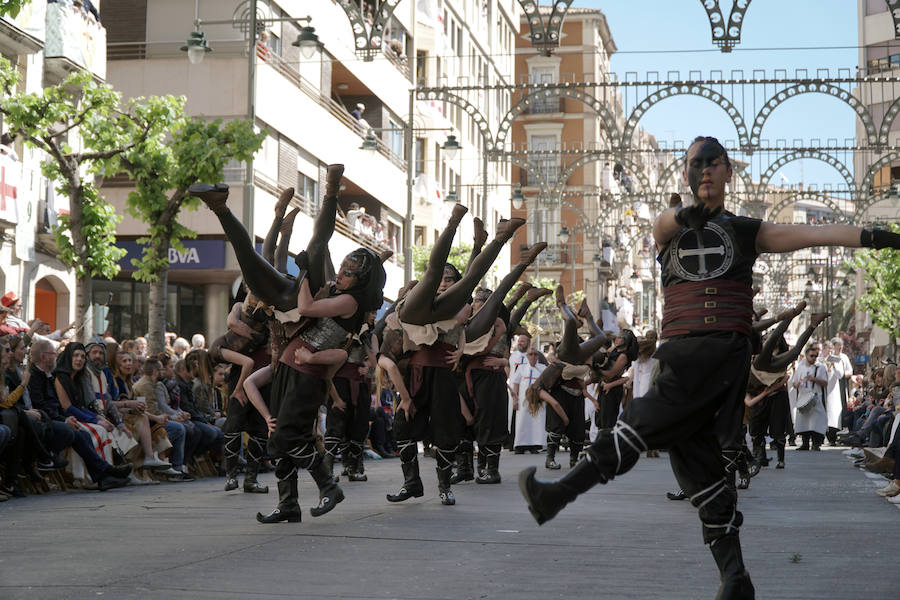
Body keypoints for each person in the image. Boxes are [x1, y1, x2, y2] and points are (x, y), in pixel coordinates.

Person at [518, 135, 900, 599]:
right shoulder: (668, 231)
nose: (704, 171)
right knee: (697, 468)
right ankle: (735, 578)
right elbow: (662, 223)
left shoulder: (745, 231)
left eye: (713, 163)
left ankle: (557, 494)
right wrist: (686, 216)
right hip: (680, 352)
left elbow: (816, 233)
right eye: (695, 164)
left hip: (717, 352)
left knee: (641, 421)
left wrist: (882, 238)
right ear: (684, 173)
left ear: (727, 172)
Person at [193, 164, 386, 524]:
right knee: (254, 263)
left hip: (305, 374)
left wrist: (308, 278)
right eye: (342, 268)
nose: (341, 274)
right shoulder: (340, 292)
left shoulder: (351, 302)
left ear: (361, 280)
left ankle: (329, 487)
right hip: (288, 366)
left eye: (348, 271)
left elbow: (308, 307)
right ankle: (289, 504)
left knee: (287, 438)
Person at [27, 339, 131, 491]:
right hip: (47, 420)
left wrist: (97, 418)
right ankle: (103, 473)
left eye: (82, 357)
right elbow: (55, 406)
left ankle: (104, 476)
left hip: (58, 417)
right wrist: (68, 419)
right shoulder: (47, 376)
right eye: (76, 356)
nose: (80, 360)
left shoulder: (65, 376)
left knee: (85, 434)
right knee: (85, 431)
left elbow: (78, 405)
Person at [790, 344, 828, 451]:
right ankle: (805, 443)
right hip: (803, 397)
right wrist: (796, 384)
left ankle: (816, 443)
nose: (813, 358)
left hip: (815, 398)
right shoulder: (800, 368)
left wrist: (814, 379)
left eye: (815, 356)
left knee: (816, 421)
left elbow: (825, 382)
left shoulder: (820, 367)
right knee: (804, 421)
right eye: (811, 356)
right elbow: (794, 382)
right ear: (806, 355)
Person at [511, 348, 546, 453]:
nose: (533, 356)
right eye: (530, 354)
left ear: (538, 357)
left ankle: (535, 444)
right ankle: (520, 445)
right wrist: (515, 398)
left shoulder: (542, 368)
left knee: (536, 421)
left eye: (535, 354)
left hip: (537, 400)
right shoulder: (521, 368)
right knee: (522, 421)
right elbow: (516, 383)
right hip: (523, 399)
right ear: (527, 356)